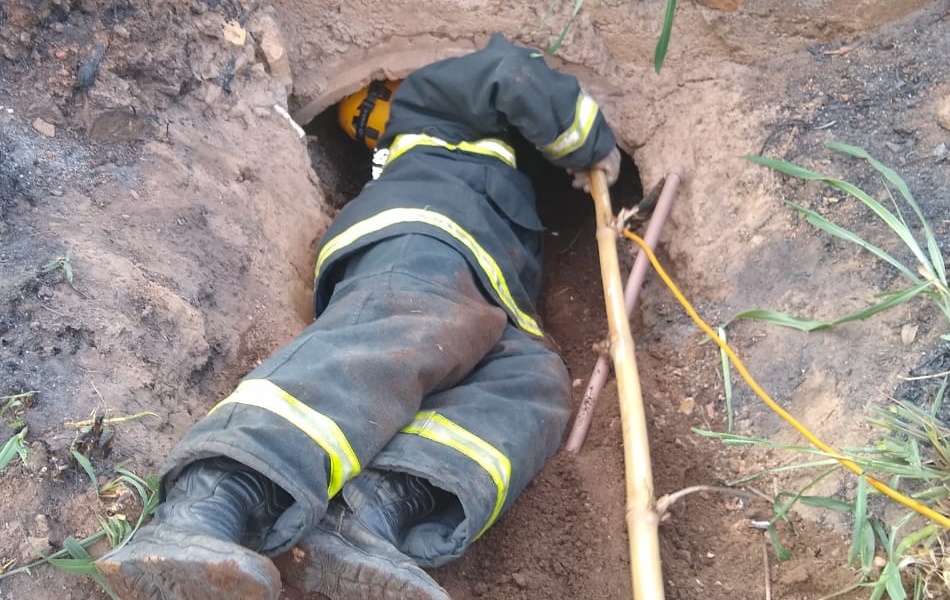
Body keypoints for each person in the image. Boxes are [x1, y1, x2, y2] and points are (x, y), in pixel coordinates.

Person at [95, 32, 621, 600]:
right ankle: (214, 500)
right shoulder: (431, 100)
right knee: (402, 327)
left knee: (532, 386)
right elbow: (514, 72)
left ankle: (369, 516)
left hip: (490, 296)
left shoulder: (496, 164)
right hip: (422, 235)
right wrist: (589, 145)